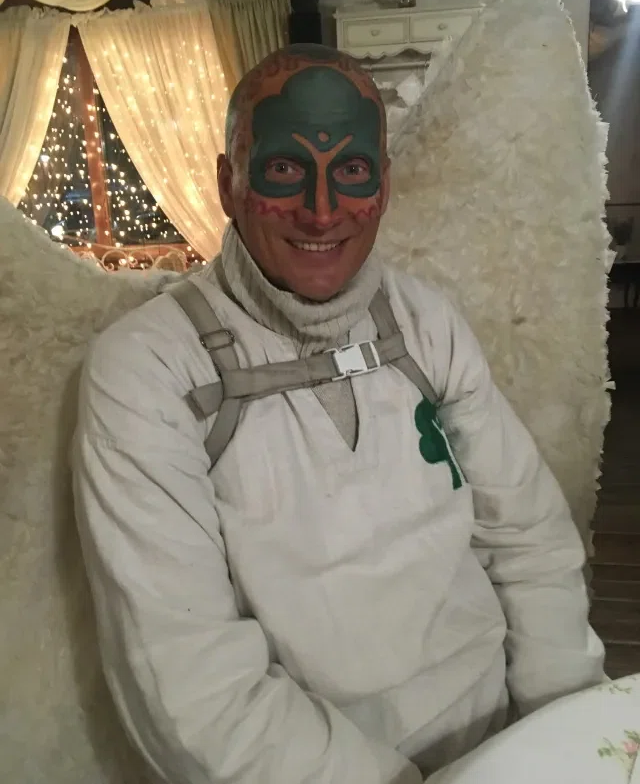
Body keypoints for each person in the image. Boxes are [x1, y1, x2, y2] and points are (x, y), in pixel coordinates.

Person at [73, 44, 605, 784]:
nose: (322, 210)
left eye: (351, 170)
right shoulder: (149, 370)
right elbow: (189, 686)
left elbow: (531, 540)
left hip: (507, 743)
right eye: (284, 169)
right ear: (228, 183)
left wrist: (563, 729)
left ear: (382, 185)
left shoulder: (427, 324)